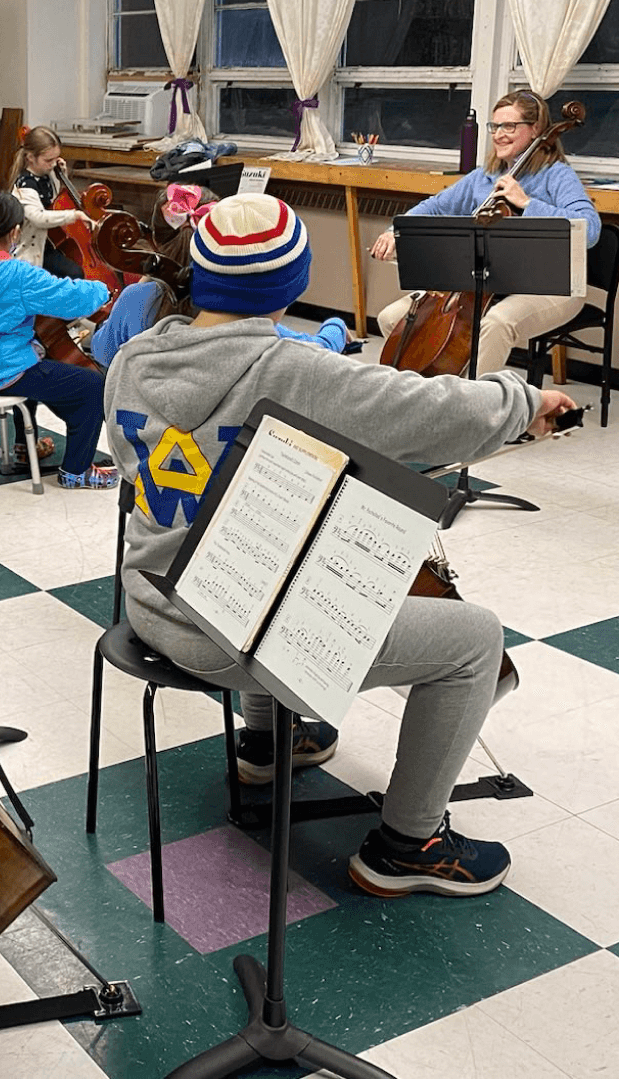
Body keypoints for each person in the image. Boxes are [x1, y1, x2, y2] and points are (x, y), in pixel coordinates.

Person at [104, 192, 576, 897]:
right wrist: (522, 401)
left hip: (151, 600)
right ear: (292, 283)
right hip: (229, 632)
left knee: (272, 548)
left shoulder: (135, 356)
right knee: (476, 639)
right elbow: (431, 411)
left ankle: (271, 742)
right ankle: (409, 842)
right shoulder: (295, 370)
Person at [373, 89, 600, 374]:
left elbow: (589, 230)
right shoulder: (484, 178)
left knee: (495, 324)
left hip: (551, 287)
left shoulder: (557, 174)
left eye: (509, 126)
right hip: (482, 283)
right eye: (495, 126)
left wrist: (527, 203)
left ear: (535, 130)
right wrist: (394, 230)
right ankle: (431, 396)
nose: (498, 134)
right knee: (392, 318)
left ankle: (475, 411)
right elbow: (435, 207)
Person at [0, 190, 120, 490]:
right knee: (94, 385)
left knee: (41, 355)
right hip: (4, 372)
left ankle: (26, 446)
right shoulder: (17, 274)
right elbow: (70, 298)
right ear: (15, 231)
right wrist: (103, 289)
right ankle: (76, 472)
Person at [91, 184, 352, 368]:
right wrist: (336, 326)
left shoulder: (137, 298)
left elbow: (103, 352)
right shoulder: (246, 319)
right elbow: (318, 349)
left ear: (157, 241)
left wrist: (145, 283)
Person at [7, 126, 94, 279]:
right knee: (74, 273)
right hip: (29, 252)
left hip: (46, 244)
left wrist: (62, 176)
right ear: (30, 158)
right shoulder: (25, 185)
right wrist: (75, 215)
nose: (53, 164)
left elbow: (54, 202)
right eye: (48, 160)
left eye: (56, 158)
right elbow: (38, 218)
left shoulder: (45, 175)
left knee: (74, 270)